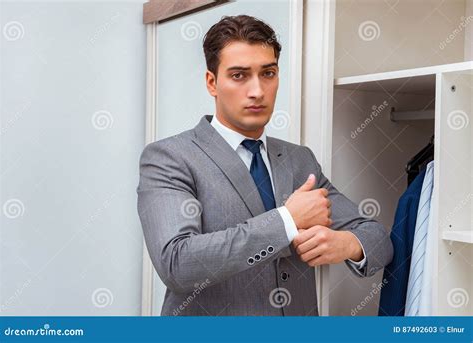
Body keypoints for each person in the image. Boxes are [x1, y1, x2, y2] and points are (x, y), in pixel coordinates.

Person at [137, 15, 393, 316]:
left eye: (268, 73)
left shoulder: (300, 160)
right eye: (239, 75)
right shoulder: (170, 157)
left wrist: (348, 244)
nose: (257, 91)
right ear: (212, 83)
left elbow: (379, 241)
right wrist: (286, 220)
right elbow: (177, 263)